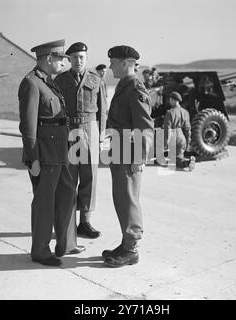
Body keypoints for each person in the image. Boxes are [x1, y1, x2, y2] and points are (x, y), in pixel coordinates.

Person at [18, 39, 82, 267]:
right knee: (44, 202)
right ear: (48, 59)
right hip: (44, 155)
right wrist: (33, 158)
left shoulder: (49, 82)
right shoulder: (32, 83)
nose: (63, 63)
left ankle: (66, 244)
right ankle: (40, 251)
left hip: (61, 151)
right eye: (60, 59)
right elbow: (28, 126)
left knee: (67, 195)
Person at [102, 45, 154, 267]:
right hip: (119, 150)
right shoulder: (125, 85)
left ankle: (131, 249)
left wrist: (138, 160)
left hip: (129, 153)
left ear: (126, 63)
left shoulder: (135, 88)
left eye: (113, 61)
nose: (111, 65)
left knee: (129, 200)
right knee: (121, 199)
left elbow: (145, 128)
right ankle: (126, 243)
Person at [55, 42, 107, 242]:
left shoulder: (96, 79)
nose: (78, 61)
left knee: (89, 177)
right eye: (75, 57)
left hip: (90, 130)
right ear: (69, 60)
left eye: (82, 57)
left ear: (87, 58)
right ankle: (68, 223)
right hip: (69, 130)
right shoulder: (60, 80)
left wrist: (102, 135)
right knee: (69, 177)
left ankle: (85, 222)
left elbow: (103, 109)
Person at [163, 91, 195, 171]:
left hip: (174, 138)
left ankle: (188, 162)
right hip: (182, 137)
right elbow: (188, 129)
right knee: (177, 157)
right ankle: (186, 160)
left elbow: (168, 130)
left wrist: (166, 143)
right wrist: (188, 142)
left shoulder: (170, 113)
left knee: (175, 160)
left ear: (174, 100)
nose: (169, 101)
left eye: (170, 99)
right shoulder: (185, 112)